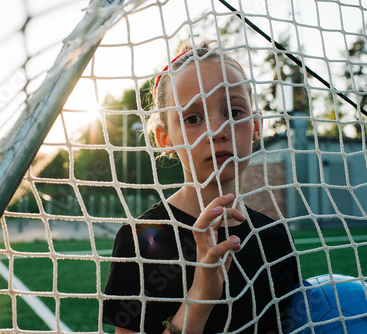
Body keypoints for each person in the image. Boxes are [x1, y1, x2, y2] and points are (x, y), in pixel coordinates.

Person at [102, 43, 299, 333]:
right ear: (163, 138)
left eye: (233, 112)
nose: (217, 131)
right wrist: (202, 295)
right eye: (193, 118)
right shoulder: (142, 239)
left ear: (256, 125)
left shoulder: (277, 241)